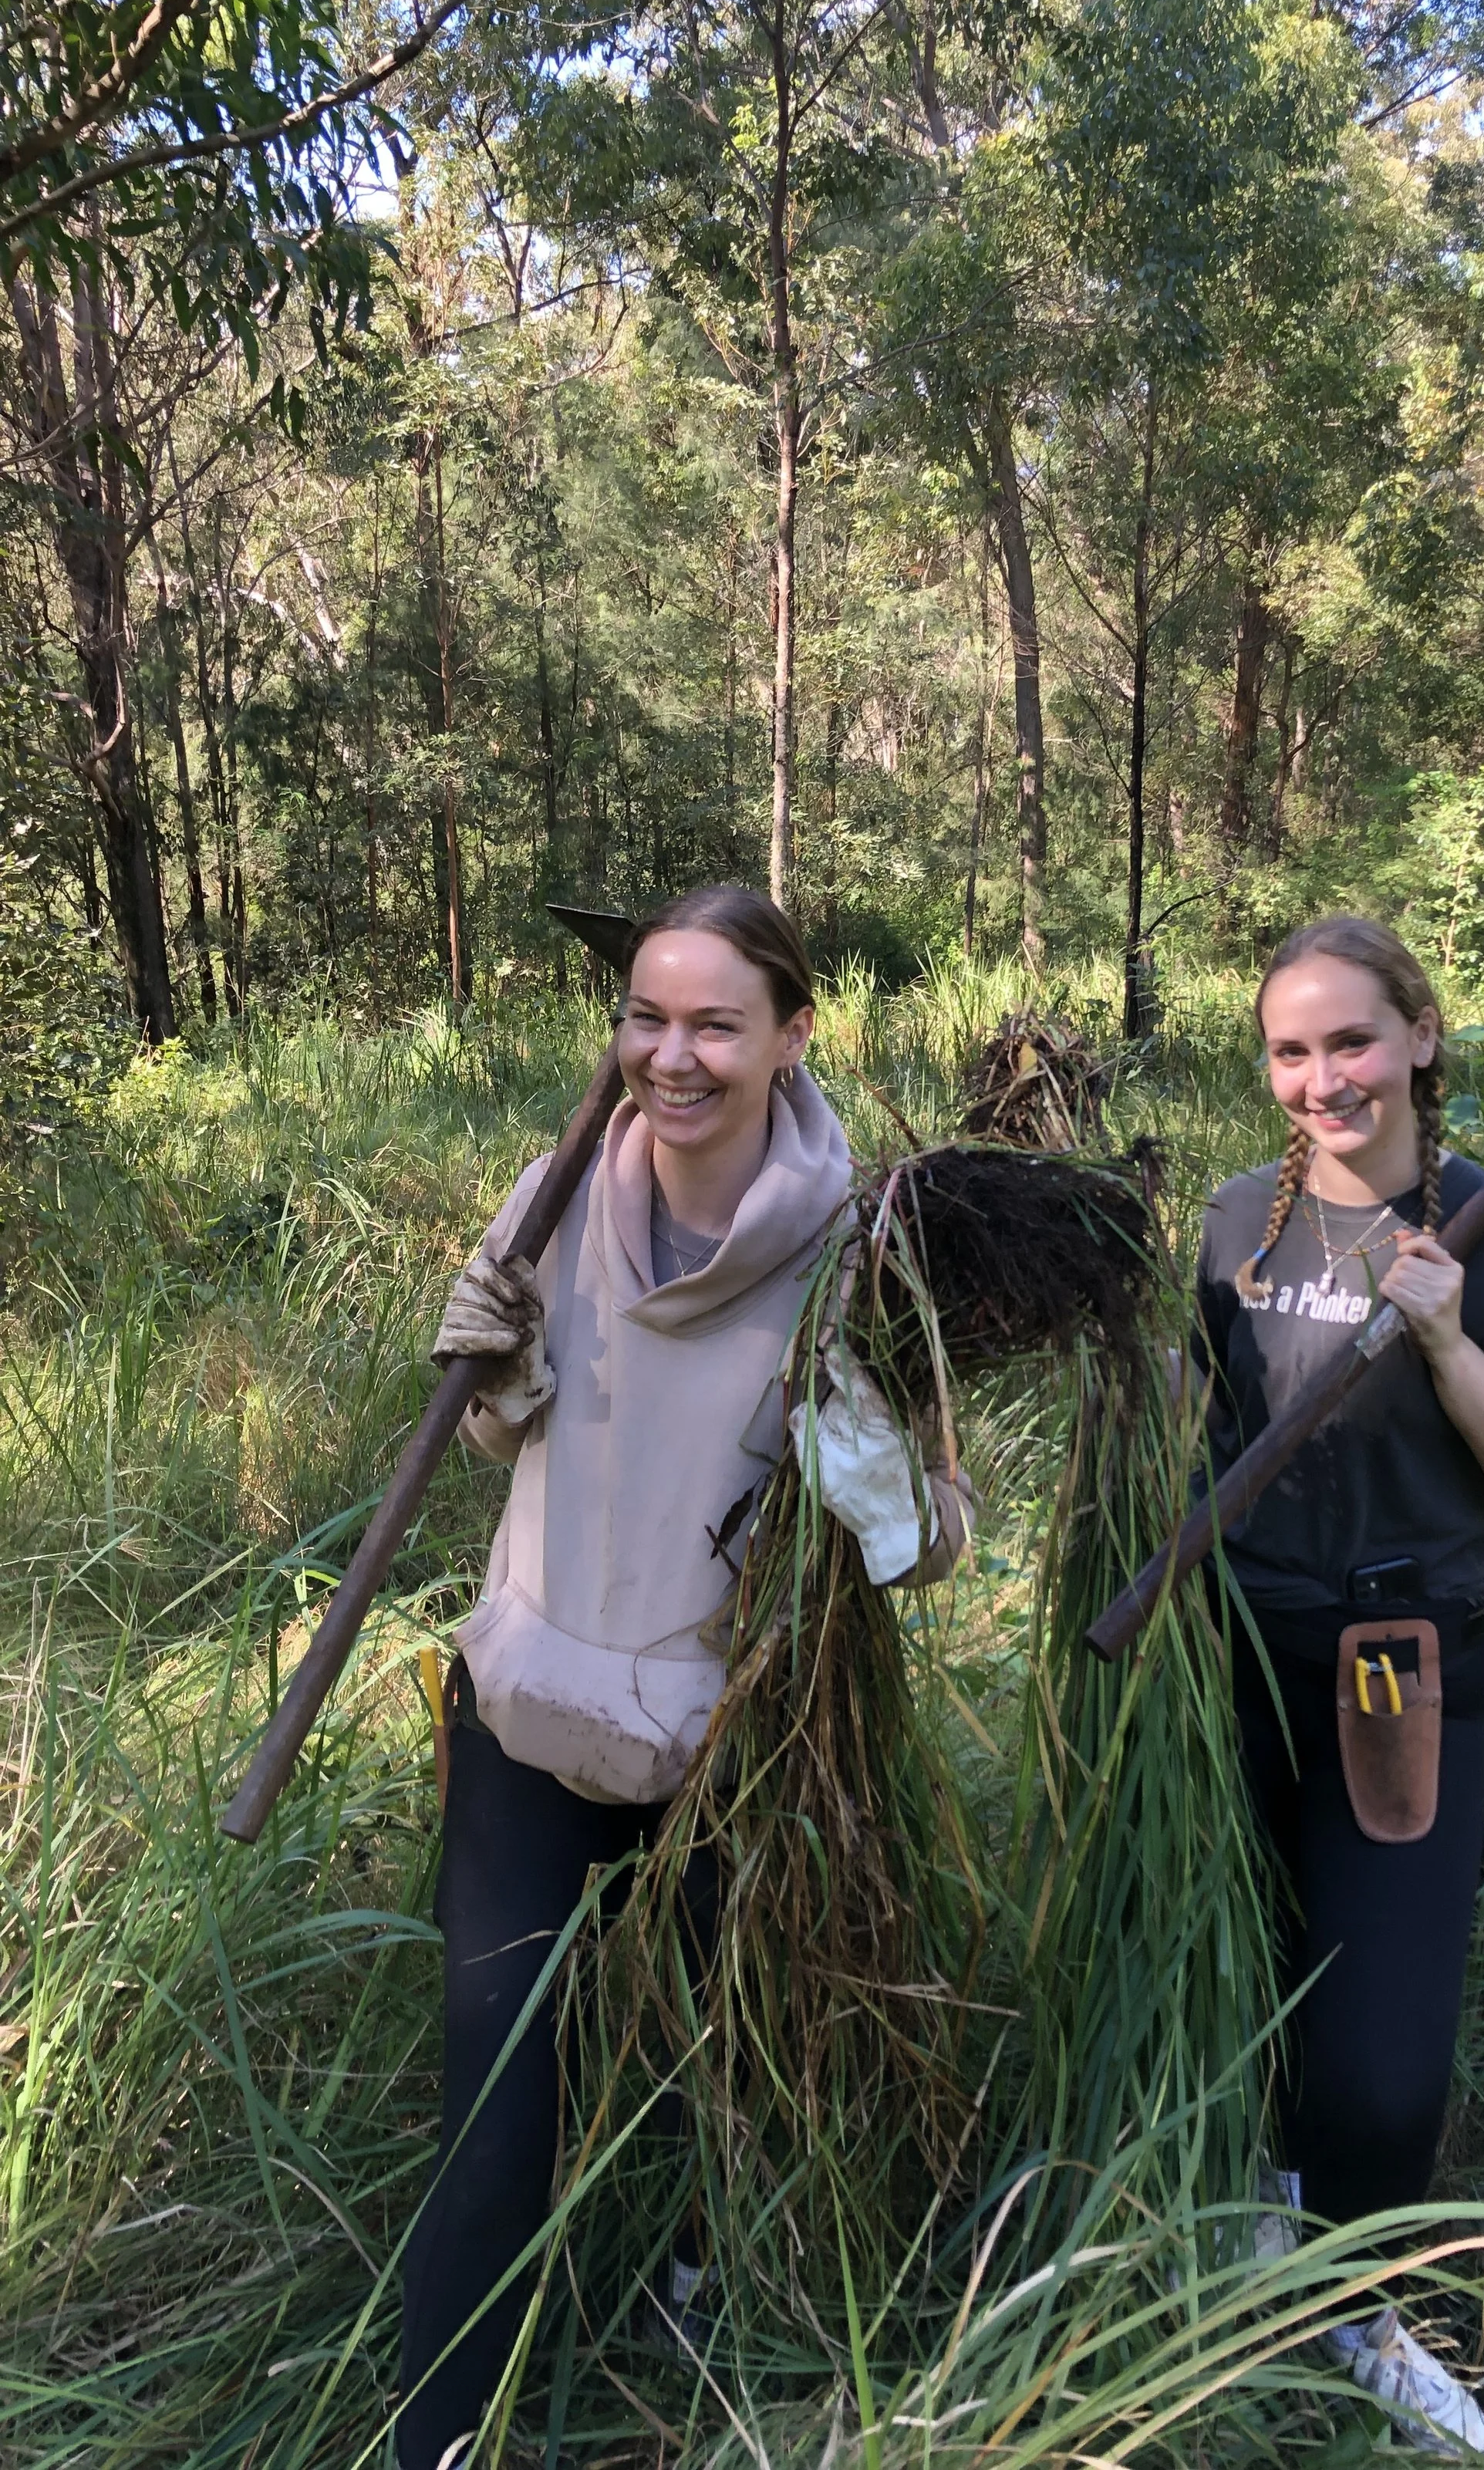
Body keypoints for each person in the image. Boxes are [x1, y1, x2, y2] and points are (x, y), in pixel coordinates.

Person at [399, 886, 970, 2470]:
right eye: (646, 1016)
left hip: (731, 1745)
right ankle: (442, 2432)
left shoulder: (864, 1249)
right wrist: (490, 1357)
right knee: (498, 2092)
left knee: (735, 2062)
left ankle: (713, 2296)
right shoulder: (561, 1181)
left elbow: (928, 1550)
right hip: (525, 1707)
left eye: (715, 1020)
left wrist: (874, 1481)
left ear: (793, 1035)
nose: (672, 1053)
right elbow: (510, 1433)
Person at [1191, 916, 1484, 2458]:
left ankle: (1359, 2306)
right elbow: (1188, 1441)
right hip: (1233, 1662)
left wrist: (1444, 1342)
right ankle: (1267, 2227)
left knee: (1380, 2064)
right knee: (1246, 1980)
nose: (1322, 1078)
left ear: (1421, 1039)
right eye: (1291, 1050)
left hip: (1398, 1676)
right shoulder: (1237, 1222)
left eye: (1350, 1040)